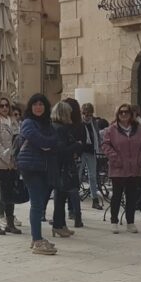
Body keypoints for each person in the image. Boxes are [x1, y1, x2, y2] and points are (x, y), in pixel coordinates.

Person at [17, 94, 58, 254]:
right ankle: (37, 240)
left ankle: (37, 238)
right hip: (30, 166)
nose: (38, 107)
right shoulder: (27, 123)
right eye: (35, 104)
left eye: (41, 104)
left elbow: (54, 140)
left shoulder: (48, 124)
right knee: (36, 204)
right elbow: (39, 140)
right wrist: (46, 144)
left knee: (40, 203)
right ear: (30, 107)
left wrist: (46, 144)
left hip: (43, 167)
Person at [101, 104, 141, 234]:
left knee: (131, 196)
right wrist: (114, 157)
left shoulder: (138, 129)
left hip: (134, 168)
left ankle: (130, 222)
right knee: (116, 195)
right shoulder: (111, 129)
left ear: (131, 114)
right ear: (117, 114)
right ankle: (114, 221)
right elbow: (105, 145)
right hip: (118, 168)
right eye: (121, 112)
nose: (123, 114)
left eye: (126, 112)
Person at [0, 97, 22, 235]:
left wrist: (16, 157)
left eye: (7, 105)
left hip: (12, 164)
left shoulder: (13, 122)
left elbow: (18, 140)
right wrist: (8, 157)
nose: (5, 108)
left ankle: (10, 222)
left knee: (10, 194)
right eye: (1, 106)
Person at [50, 101, 83, 239]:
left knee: (61, 196)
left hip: (59, 166)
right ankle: (58, 225)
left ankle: (61, 224)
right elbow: (61, 150)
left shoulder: (57, 127)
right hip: (62, 167)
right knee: (60, 197)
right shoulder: (60, 129)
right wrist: (77, 145)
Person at [63, 97, 85, 228]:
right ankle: (76, 214)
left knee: (66, 188)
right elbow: (82, 142)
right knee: (73, 188)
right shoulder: (79, 124)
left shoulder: (65, 124)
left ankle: (74, 213)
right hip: (74, 158)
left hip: (67, 158)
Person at [80, 103, 105, 211]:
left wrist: (99, 146)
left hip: (91, 151)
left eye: (89, 114)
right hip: (81, 152)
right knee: (78, 175)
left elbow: (97, 136)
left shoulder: (94, 123)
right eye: (85, 114)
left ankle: (94, 199)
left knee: (92, 176)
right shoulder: (79, 123)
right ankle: (74, 199)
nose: (87, 116)